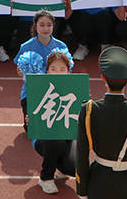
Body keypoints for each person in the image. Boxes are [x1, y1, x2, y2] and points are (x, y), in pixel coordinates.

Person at [76, 46, 127, 199]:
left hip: (98, 183)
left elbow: (81, 153)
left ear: (103, 77)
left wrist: (82, 190)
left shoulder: (89, 109)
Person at [29, 50, 77, 193]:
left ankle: (62, 167)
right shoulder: (40, 87)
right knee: (55, 140)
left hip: (68, 137)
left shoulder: (75, 88)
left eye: (63, 69)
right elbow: (33, 118)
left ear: (68, 71)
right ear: (47, 71)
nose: (58, 72)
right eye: (53, 69)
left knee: (74, 167)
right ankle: (45, 178)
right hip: (45, 138)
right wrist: (30, 119)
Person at [15, 10, 70, 128]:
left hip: (56, 92)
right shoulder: (26, 47)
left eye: (49, 25)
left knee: (56, 126)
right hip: (31, 92)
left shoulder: (61, 46)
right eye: (42, 25)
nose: (46, 28)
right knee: (31, 128)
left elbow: (68, 71)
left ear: (53, 26)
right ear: (35, 25)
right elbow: (18, 69)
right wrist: (21, 71)